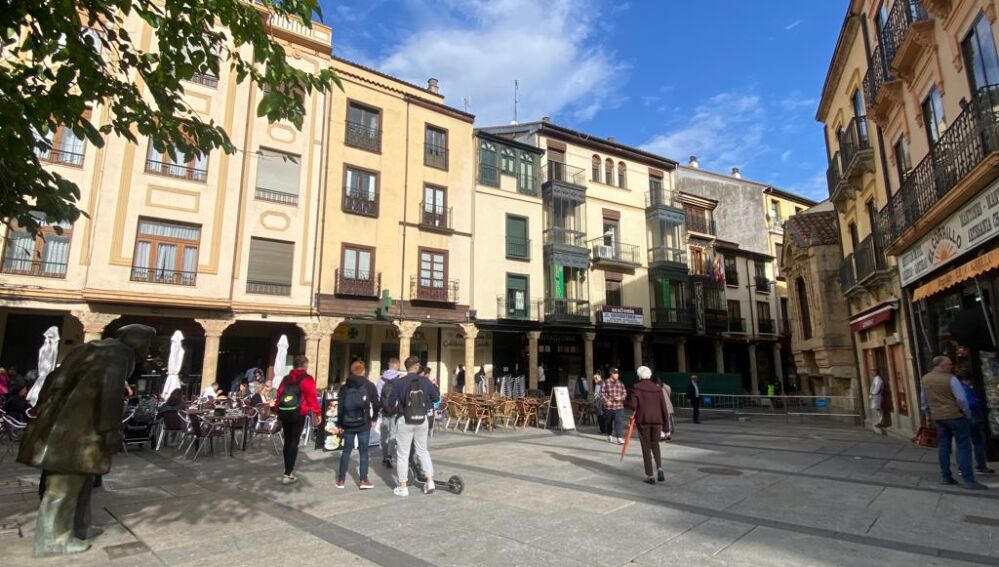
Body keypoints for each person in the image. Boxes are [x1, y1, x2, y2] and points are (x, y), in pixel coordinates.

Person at [19, 324, 155, 556]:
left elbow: (54, 379)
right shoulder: (119, 355)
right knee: (63, 485)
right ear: (139, 342)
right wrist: (110, 428)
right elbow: (111, 392)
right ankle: (53, 539)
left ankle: (79, 526)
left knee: (81, 479)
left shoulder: (90, 348)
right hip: (80, 427)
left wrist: (44, 408)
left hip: (63, 421)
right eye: (147, 344)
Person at [920, 356, 986, 490]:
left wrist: (928, 414)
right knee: (963, 446)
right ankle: (968, 479)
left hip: (938, 417)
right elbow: (961, 399)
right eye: (948, 364)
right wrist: (967, 414)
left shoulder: (925, 379)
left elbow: (924, 399)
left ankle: (946, 476)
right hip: (955, 416)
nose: (951, 366)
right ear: (940, 366)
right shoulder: (951, 379)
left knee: (944, 446)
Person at [386, 356, 440, 496]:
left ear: (406, 367)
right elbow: (436, 399)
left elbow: (391, 402)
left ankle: (403, 487)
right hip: (422, 420)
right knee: (422, 450)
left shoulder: (399, 382)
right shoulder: (425, 381)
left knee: (403, 454)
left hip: (405, 419)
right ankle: (430, 481)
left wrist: (397, 405)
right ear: (416, 367)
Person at [273, 355, 321, 485]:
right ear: (305, 365)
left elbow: (279, 395)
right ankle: (288, 473)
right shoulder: (307, 379)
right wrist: (317, 413)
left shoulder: (286, 378)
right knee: (294, 442)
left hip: (284, 412)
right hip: (298, 413)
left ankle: (287, 470)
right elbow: (312, 397)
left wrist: (278, 413)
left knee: (287, 442)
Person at [333, 361, 380, 490]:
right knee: (364, 452)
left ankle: (341, 480)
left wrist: (340, 423)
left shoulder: (345, 387)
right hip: (364, 422)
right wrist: (374, 418)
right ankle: (363, 479)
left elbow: (340, 407)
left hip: (348, 423)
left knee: (346, 451)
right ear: (363, 371)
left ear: (351, 371)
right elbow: (376, 404)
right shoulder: (369, 385)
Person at [632, 367, 669, 484]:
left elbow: (634, 406)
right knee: (655, 445)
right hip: (657, 420)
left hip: (643, 420)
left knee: (646, 447)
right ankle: (660, 468)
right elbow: (664, 408)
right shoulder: (657, 388)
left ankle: (650, 475)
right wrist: (666, 427)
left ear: (639, 376)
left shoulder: (636, 387)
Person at [959, 375, 996, 475]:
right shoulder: (966, 389)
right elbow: (970, 403)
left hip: (963, 418)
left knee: (963, 444)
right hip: (972, 418)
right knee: (977, 442)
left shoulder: (959, 388)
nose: (970, 383)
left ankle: (962, 467)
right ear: (965, 380)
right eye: (969, 380)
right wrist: (978, 401)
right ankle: (980, 466)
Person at [377, 358, 403, 468]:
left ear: (389, 365)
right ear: (397, 365)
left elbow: (378, 395)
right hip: (395, 410)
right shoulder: (400, 379)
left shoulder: (381, 379)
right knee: (393, 433)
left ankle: (384, 456)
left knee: (384, 434)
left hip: (384, 410)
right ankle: (390, 455)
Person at [600, 368, 626, 444]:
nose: (617, 375)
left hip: (619, 407)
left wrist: (620, 397)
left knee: (618, 422)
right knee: (608, 422)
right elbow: (601, 393)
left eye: (618, 373)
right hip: (609, 407)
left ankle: (619, 438)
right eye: (615, 373)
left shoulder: (620, 383)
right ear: (611, 374)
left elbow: (624, 393)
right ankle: (609, 435)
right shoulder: (605, 383)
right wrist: (606, 401)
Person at [656, 377, 675, 441]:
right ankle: (668, 433)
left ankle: (662, 434)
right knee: (667, 420)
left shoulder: (655, 387)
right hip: (667, 405)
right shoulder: (667, 387)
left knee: (660, 421)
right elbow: (669, 395)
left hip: (660, 406)